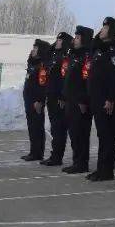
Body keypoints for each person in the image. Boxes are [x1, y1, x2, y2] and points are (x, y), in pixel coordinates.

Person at [87, 17, 115, 182]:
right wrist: (98, 36)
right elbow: (92, 47)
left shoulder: (114, 51)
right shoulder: (100, 49)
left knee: (108, 136)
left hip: (106, 101)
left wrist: (110, 98)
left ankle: (107, 170)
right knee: (102, 135)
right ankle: (101, 168)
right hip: (96, 98)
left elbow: (114, 78)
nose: (101, 29)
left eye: (105, 27)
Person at [61, 26, 95, 175]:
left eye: (78, 37)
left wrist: (83, 100)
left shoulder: (87, 57)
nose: (75, 40)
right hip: (70, 99)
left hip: (80, 101)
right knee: (73, 133)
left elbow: (86, 81)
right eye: (75, 37)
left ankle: (82, 163)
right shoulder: (74, 56)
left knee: (81, 133)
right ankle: (76, 161)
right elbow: (68, 79)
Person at [40, 32, 72, 167]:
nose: (57, 42)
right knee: (54, 128)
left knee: (59, 128)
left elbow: (65, 79)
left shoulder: (65, 57)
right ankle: (54, 154)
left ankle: (57, 156)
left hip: (59, 97)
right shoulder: (54, 55)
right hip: (51, 95)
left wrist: (63, 96)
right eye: (57, 39)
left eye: (60, 40)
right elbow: (45, 56)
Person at [20, 39, 51, 161]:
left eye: (36, 48)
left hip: (36, 101)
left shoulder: (42, 66)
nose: (33, 49)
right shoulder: (33, 63)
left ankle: (38, 153)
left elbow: (42, 85)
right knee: (32, 126)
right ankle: (33, 151)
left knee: (37, 126)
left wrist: (39, 100)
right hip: (29, 99)